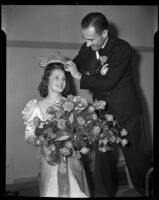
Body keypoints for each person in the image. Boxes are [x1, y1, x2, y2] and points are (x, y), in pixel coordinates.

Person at [65, 12, 152, 197]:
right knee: (102, 158)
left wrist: (80, 77)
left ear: (104, 33)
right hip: (103, 111)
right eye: (85, 38)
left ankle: (146, 191)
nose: (87, 44)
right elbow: (75, 63)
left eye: (91, 39)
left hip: (126, 111)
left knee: (135, 159)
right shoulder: (87, 48)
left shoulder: (122, 49)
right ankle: (103, 194)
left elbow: (109, 82)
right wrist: (59, 65)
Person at [22, 61, 90, 197]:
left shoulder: (73, 104)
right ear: (47, 80)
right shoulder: (35, 106)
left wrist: (78, 138)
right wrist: (44, 140)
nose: (61, 81)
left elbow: (82, 133)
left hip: (72, 161)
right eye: (57, 77)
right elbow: (29, 136)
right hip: (49, 161)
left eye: (64, 78)